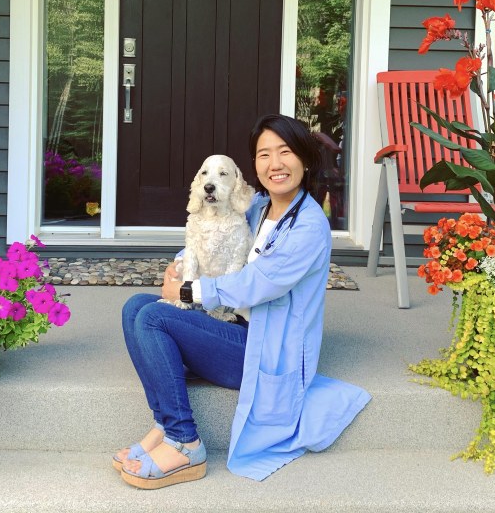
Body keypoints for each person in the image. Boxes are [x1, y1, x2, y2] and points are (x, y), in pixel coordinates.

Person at [114, 114, 371, 489]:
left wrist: (187, 293)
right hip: (232, 327)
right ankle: (164, 424)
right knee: (135, 306)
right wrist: (180, 266)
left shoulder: (309, 226)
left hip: (262, 349)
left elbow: (258, 284)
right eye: (264, 154)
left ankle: (185, 442)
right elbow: (211, 233)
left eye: (285, 152)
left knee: (154, 318)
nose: (275, 164)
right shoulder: (258, 207)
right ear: (252, 166)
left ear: (305, 157)